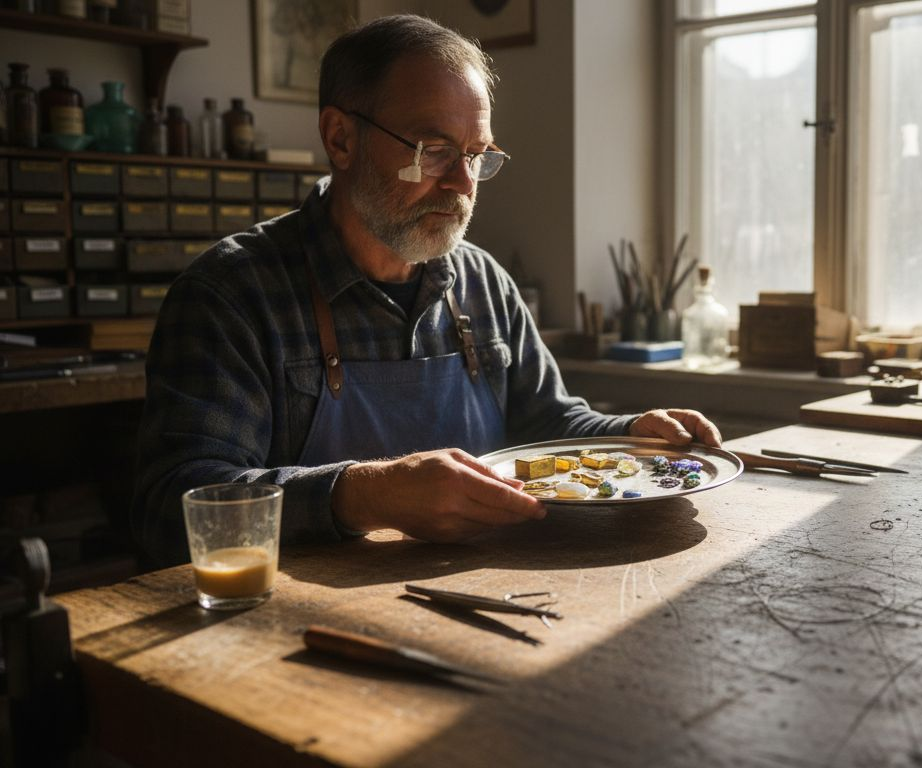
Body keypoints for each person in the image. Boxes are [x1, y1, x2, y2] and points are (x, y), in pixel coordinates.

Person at [131, 14, 721, 567]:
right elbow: (173, 508)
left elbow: (546, 421)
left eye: (475, 155)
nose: (463, 183)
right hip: (299, 637)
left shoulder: (483, 282)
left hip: (482, 592)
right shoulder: (231, 294)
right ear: (340, 139)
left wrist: (630, 437)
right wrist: (366, 495)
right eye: (432, 150)